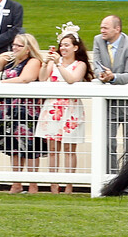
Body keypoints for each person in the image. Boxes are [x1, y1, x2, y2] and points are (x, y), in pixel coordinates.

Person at [0, 34, 45, 195]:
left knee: (30, 148)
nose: (14, 48)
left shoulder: (33, 61)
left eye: (18, 46)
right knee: (13, 147)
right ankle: (16, 183)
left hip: (26, 110)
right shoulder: (9, 60)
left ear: (27, 49)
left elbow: (26, 78)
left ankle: (33, 185)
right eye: (14, 45)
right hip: (8, 109)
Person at [35, 24, 93, 194]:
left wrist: (58, 64)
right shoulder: (54, 63)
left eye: (67, 45)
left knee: (69, 148)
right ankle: (54, 186)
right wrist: (46, 64)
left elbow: (72, 79)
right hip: (52, 108)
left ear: (75, 47)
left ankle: (69, 185)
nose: (63, 48)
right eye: (62, 45)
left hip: (70, 109)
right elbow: (42, 78)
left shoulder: (79, 64)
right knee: (53, 149)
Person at [93, 15, 128, 173]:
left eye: (105, 28)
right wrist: (102, 75)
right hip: (109, 103)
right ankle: (110, 179)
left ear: (117, 29)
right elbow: (96, 66)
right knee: (107, 143)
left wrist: (113, 77)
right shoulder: (98, 41)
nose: (102, 31)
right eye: (101, 27)